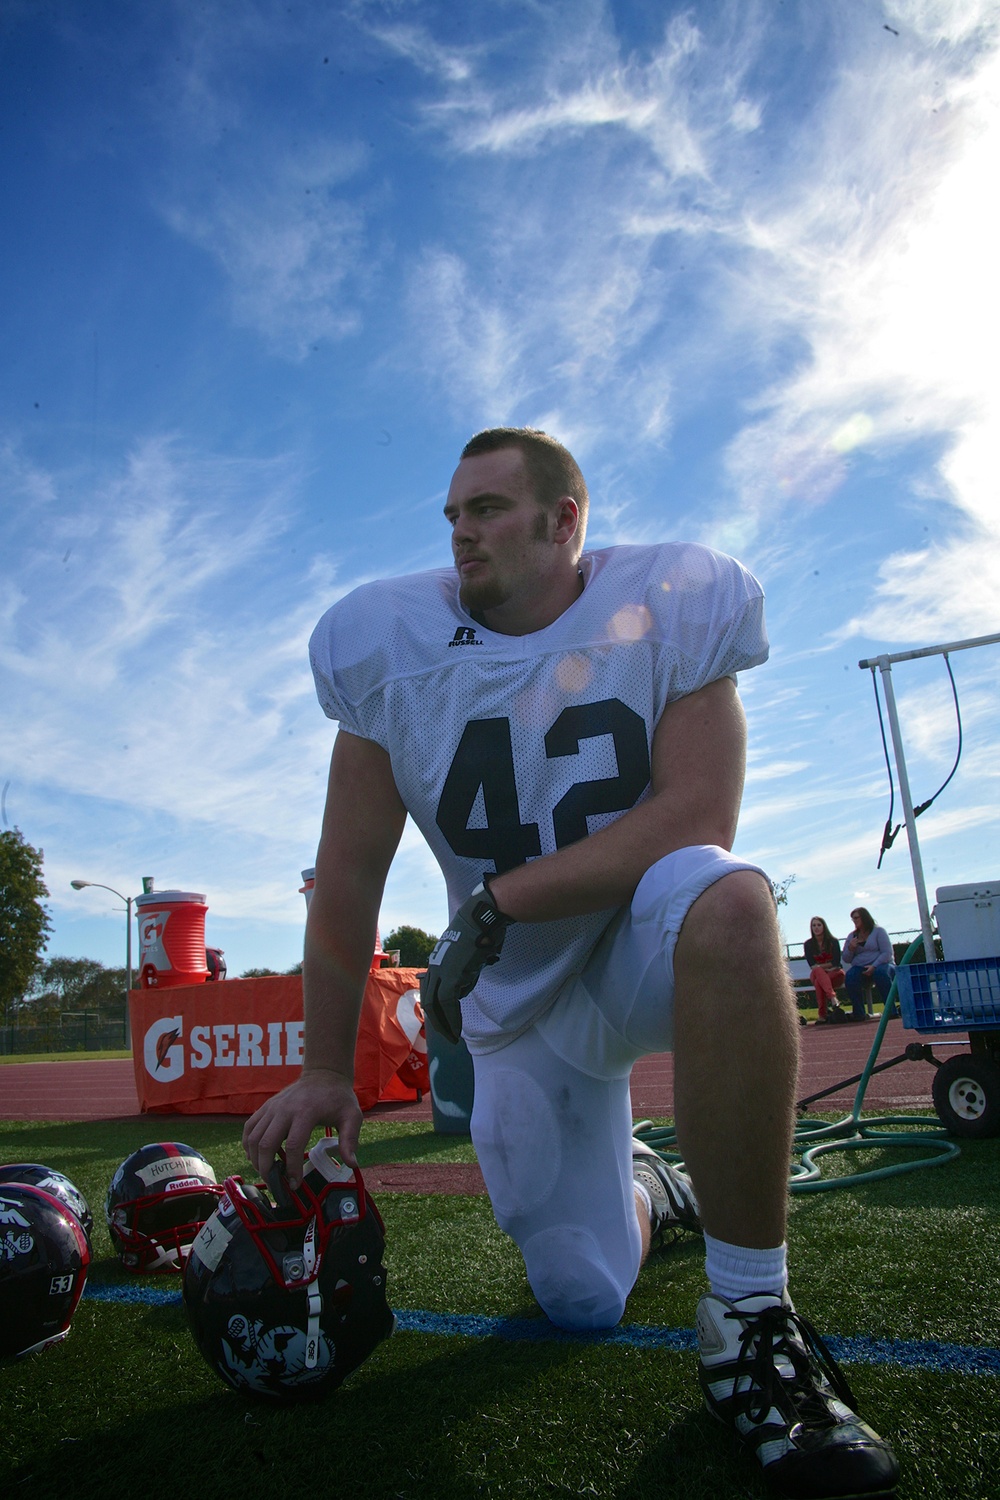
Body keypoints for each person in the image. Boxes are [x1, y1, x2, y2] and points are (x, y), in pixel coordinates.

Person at [243, 429, 898, 1500]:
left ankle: (751, 1320)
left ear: (564, 521)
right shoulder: (385, 644)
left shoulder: (671, 600)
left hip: (639, 946)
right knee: (583, 1297)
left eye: (490, 508)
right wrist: (324, 1067)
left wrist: (497, 902)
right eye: (453, 512)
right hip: (520, 1015)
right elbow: (348, 872)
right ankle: (649, 1187)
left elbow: (697, 812)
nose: (462, 530)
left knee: (731, 895)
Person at [842, 908, 895, 1021]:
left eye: (856, 918)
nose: (854, 921)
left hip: (882, 964)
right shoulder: (852, 936)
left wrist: (874, 966)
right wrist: (851, 948)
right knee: (851, 977)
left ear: (864, 917)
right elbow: (846, 959)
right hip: (860, 967)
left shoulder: (879, 931)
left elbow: (887, 953)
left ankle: (891, 1011)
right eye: (852, 919)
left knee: (881, 973)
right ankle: (859, 1013)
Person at [804, 916, 845, 1023]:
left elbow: (836, 962)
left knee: (819, 981)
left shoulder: (833, 941)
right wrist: (824, 968)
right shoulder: (808, 944)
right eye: (814, 925)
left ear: (824, 926)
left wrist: (820, 968)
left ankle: (822, 1015)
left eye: (819, 925)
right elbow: (812, 965)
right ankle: (832, 998)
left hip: (835, 974)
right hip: (818, 974)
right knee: (817, 973)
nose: (816, 928)